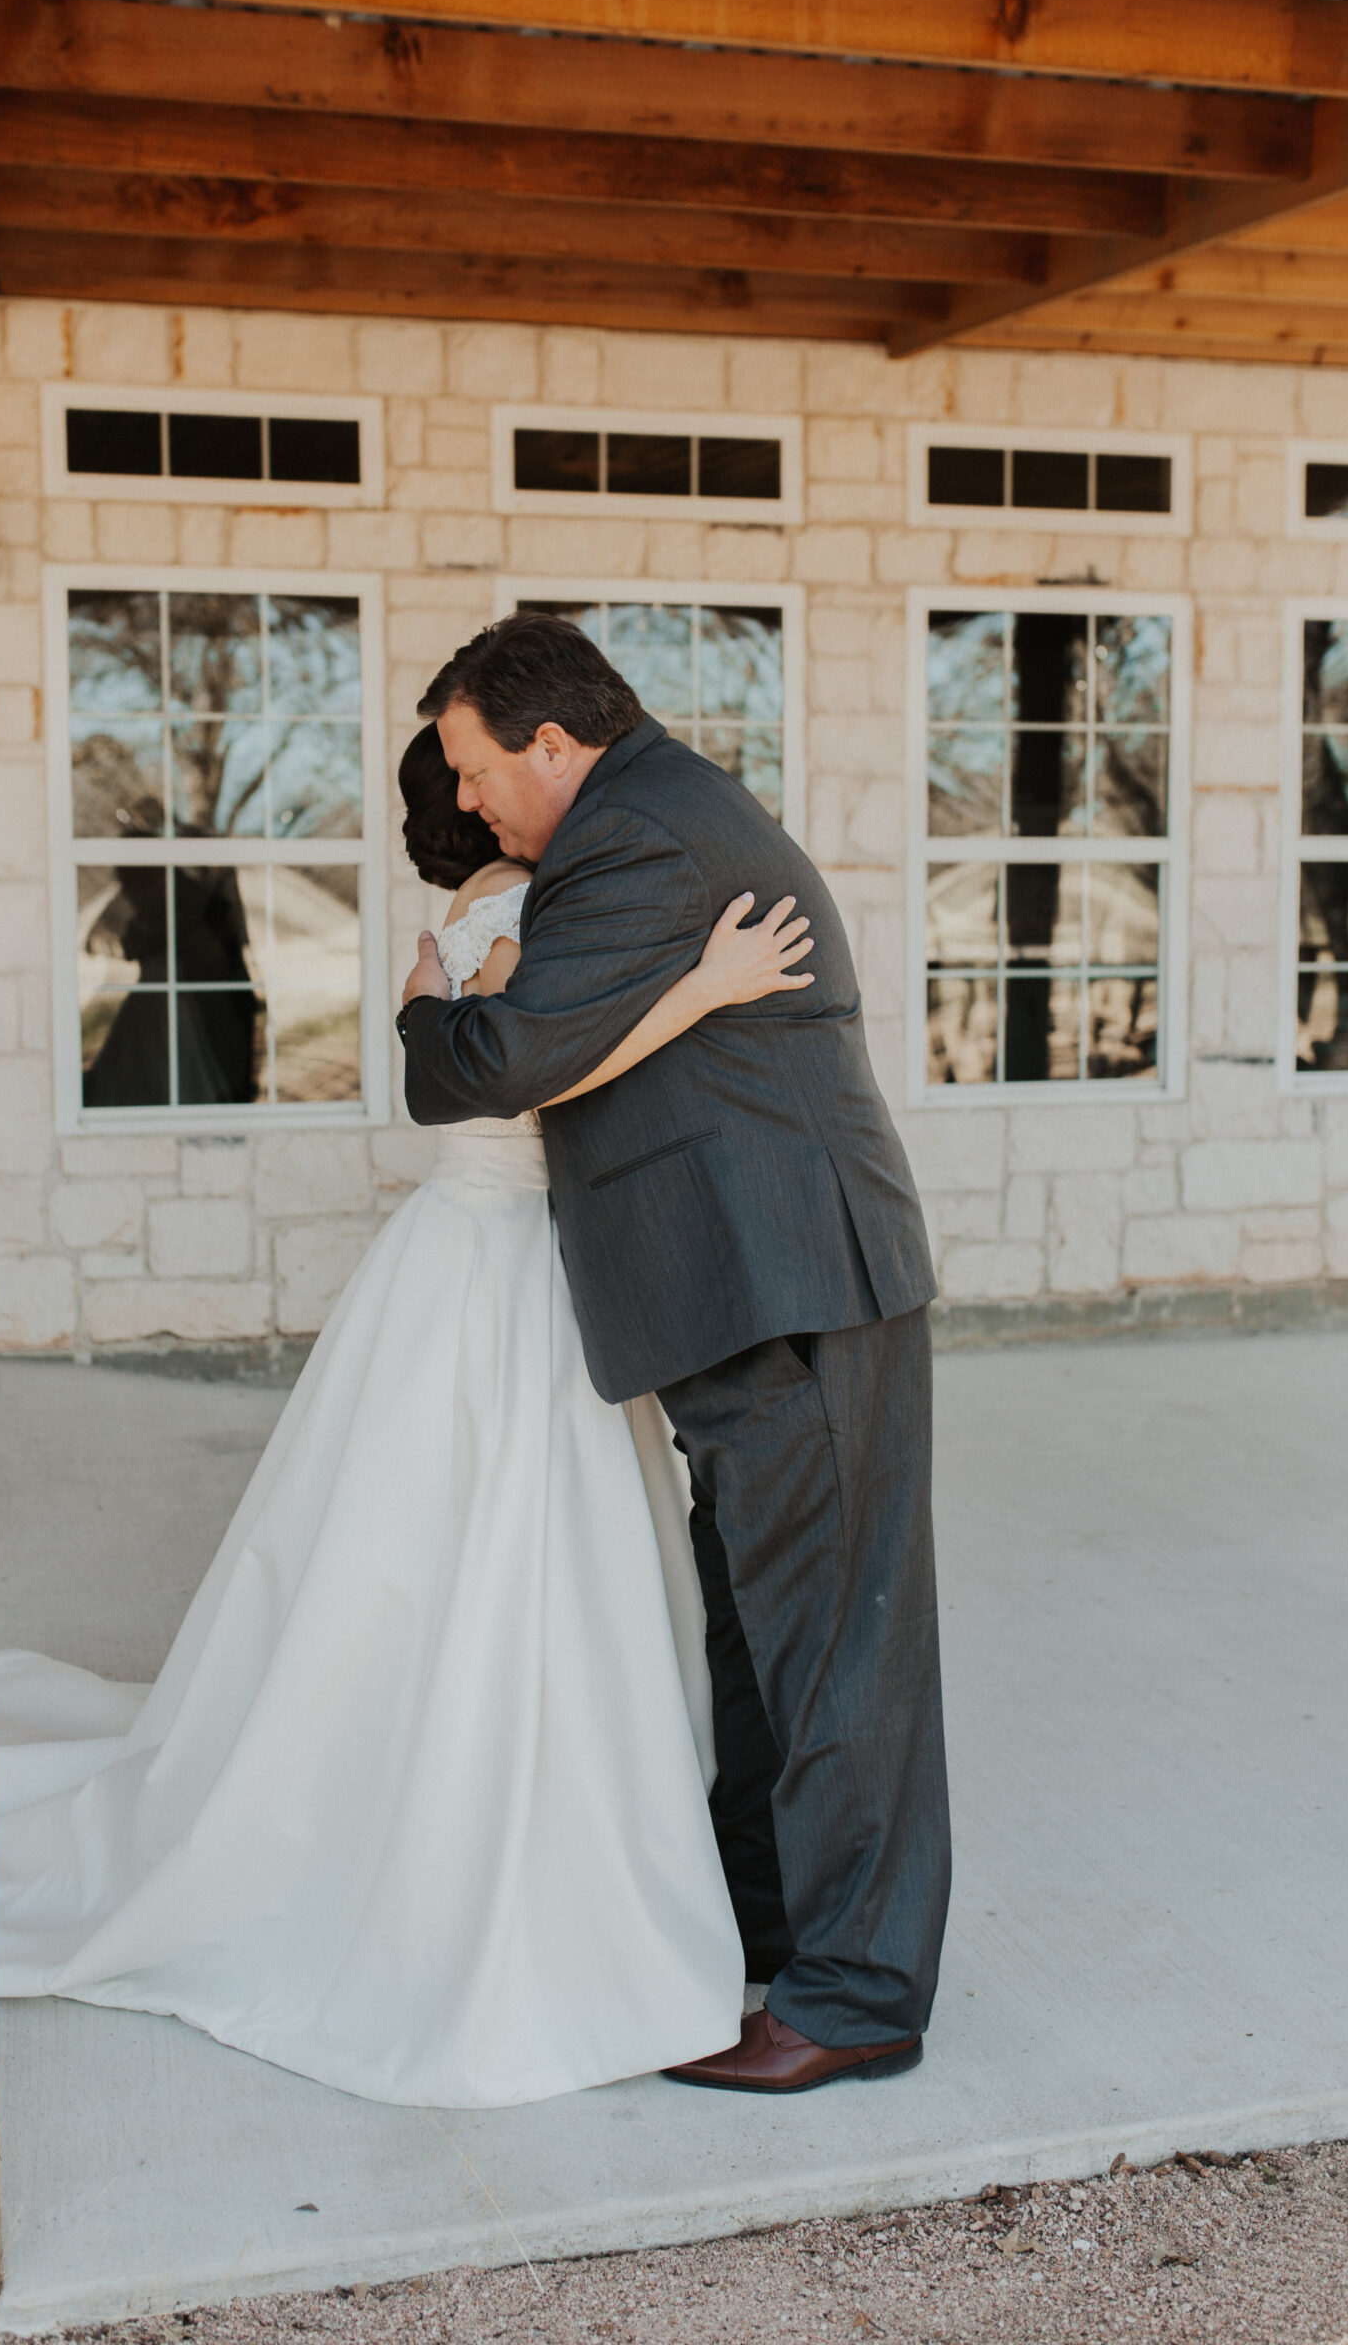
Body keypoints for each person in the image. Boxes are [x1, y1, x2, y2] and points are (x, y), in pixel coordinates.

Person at [0, 722, 814, 2110]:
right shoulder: (507, 909)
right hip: (495, 1269)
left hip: (511, 1256)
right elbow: (537, 1063)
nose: (518, 800)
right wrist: (708, 983)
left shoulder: (494, 910)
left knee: (490, 1549)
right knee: (462, 1539)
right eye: (489, 783)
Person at [400, 611, 947, 2096]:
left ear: (553, 746)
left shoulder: (633, 840)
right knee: (762, 1643)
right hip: (750, 1287)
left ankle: (855, 1996)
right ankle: (768, 1926)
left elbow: (503, 1060)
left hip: (791, 1286)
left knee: (836, 1652)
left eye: (473, 770)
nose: (465, 805)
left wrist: (425, 1012)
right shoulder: (647, 817)